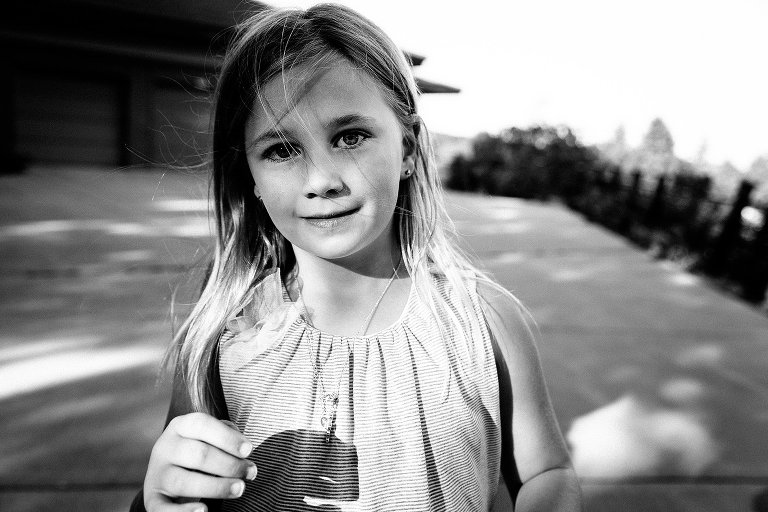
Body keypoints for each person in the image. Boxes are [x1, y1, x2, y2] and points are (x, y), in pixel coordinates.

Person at [133, 3, 582, 511]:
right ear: (250, 178)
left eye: (350, 137)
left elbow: (548, 472)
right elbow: (175, 484)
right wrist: (157, 497)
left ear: (409, 149)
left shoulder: (485, 322)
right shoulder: (223, 331)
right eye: (282, 149)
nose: (322, 180)